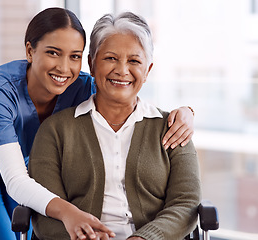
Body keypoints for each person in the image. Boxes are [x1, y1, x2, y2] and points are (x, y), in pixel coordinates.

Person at [0, 7, 195, 240]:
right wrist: (70, 213)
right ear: (30, 51)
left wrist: (186, 112)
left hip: (25, 168)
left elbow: (125, 90)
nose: (64, 68)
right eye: (53, 53)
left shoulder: (81, 85)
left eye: (74, 56)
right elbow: (15, 180)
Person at [28, 11, 201, 240]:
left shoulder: (173, 128)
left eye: (134, 61)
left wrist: (143, 238)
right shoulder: (54, 131)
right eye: (110, 58)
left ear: (148, 70)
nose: (122, 70)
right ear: (91, 62)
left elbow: (186, 203)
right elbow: (45, 212)